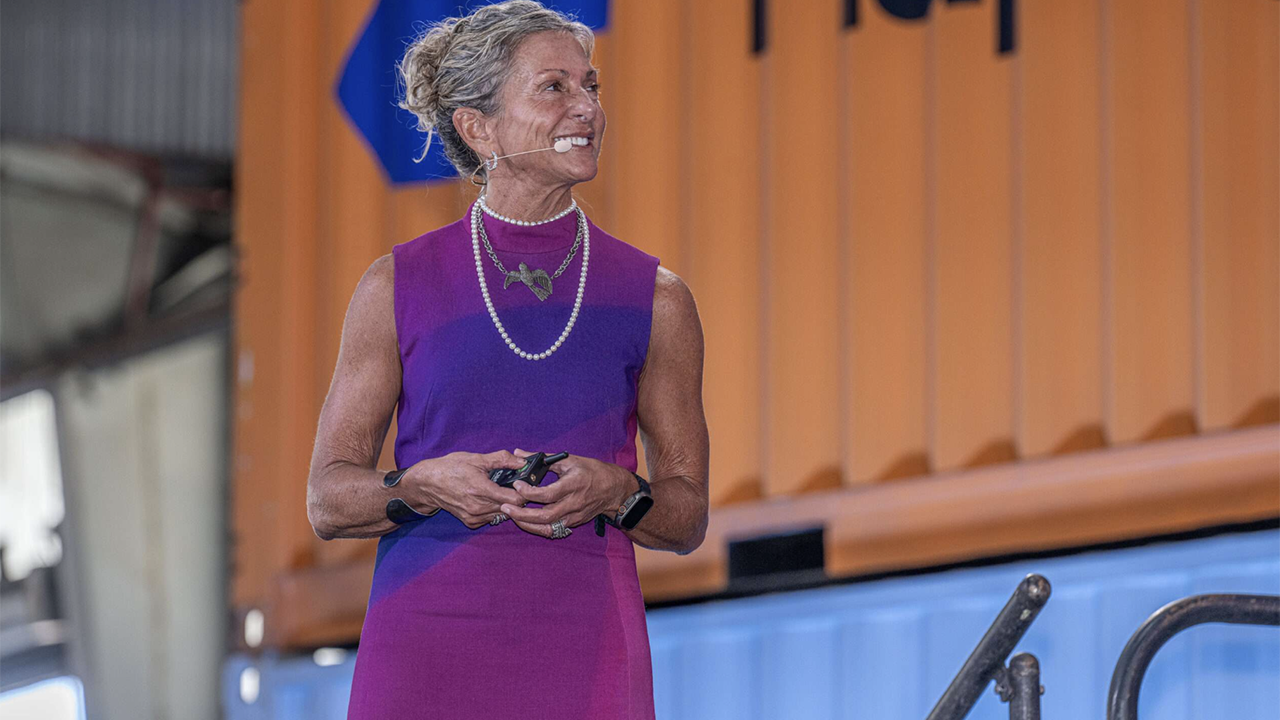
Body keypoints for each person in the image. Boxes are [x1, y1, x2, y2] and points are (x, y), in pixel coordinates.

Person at [304, 2, 710, 717]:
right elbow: (328, 499)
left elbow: (685, 517)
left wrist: (620, 492)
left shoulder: (657, 298)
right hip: (424, 650)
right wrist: (422, 487)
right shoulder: (396, 285)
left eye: (592, 86)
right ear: (478, 126)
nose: (587, 107)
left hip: (587, 652)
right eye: (555, 87)